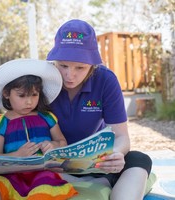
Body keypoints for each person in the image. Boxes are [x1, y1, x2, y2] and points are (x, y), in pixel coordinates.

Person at [46, 19, 152, 200]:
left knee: (139, 159)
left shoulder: (106, 80)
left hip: (97, 163)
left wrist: (116, 154)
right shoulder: (42, 78)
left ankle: (100, 183)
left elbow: (121, 136)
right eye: (63, 65)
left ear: (93, 65)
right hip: (52, 164)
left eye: (80, 67)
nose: (69, 75)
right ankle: (94, 182)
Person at [0, 59, 78, 199]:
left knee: (42, 195)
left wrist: (53, 145)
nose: (29, 102)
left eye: (34, 95)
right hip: (9, 175)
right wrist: (17, 155)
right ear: (6, 93)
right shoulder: (1, 123)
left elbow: (62, 142)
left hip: (43, 174)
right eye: (22, 95)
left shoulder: (47, 117)